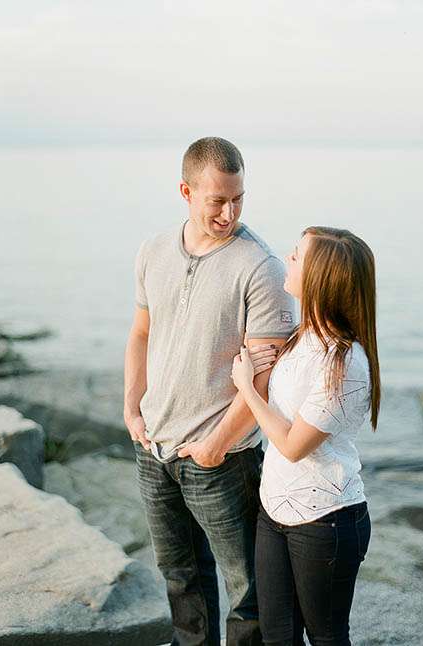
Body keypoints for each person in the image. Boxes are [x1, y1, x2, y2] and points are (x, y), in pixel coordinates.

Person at [123, 136, 298, 645]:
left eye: (238, 197)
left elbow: (263, 379)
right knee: (179, 576)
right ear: (186, 191)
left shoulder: (261, 266)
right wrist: (131, 410)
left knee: (248, 588)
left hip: (221, 461)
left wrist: (216, 446)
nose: (229, 211)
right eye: (217, 199)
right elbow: (140, 333)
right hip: (153, 448)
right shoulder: (153, 250)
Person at [231, 227, 377, 645]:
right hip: (274, 510)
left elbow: (294, 445)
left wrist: (246, 387)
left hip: (325, 518)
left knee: (327, 636)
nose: (288, 259)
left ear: (320, 276)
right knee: (278, 635)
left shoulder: (345, 361)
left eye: (297, 255)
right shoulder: (302, 335)